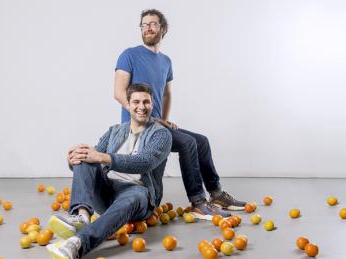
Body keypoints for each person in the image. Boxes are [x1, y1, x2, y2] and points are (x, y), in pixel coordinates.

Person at [114, 9, 246, 218]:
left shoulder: (166, 61)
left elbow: (166, 94)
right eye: (144, 24)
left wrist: (163, 120)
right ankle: (198, 201)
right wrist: (149, 118)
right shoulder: (129, 55)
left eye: (153, 24)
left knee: (201, 141)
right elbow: (118, 93)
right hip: (138, 127)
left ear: (163, 29)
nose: (148, 27)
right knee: (187, 142)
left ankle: (216, 193)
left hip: (156, 124)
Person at [46, 83, 172, 259]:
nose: (141, 107)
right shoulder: (115, 131)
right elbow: (93, 158)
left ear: (152, 104)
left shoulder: (161, 134)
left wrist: (102, 157)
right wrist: (73, 159)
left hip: (138, 192)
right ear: (127, 105)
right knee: (85, 153)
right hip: (107, 191)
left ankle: (77, 244)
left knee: (132, 193)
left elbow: (145, 162)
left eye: (146, 102)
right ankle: (81, 217)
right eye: (136, 102)